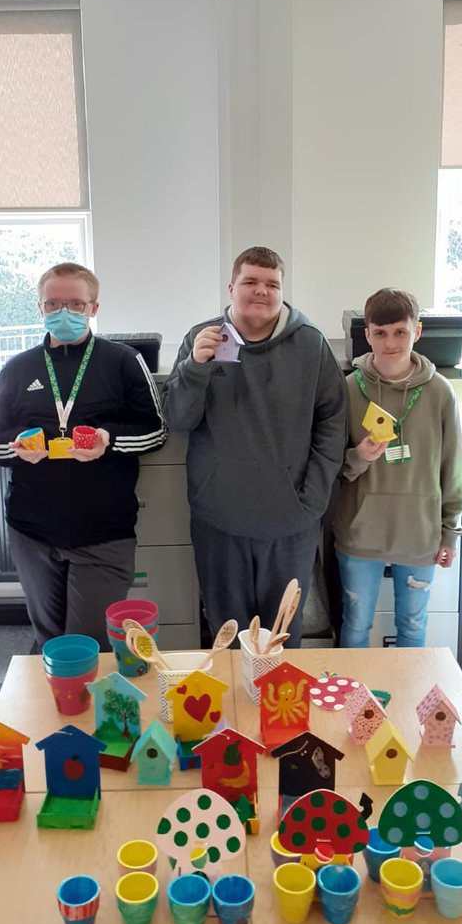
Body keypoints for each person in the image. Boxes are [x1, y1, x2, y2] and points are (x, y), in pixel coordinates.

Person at [162, 245, 347, 646]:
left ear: (282, 292)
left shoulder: (311, 345)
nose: (261, 291)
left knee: (281, 635)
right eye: (250, 281)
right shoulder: (203, 339)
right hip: (219, 519)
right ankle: (234, 710)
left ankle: (277, 710)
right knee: (228, 635)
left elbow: (333, 424)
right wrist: (195, 368)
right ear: (231, 288)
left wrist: (311, 498)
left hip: (290, 520)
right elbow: (178, 420)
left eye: (271, 284)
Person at [0, 262, 166, 650]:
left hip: (103, 533)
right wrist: (17, 448)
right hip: (33, 532)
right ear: (40, 308)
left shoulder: (124, 362)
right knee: (49, 643)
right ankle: (58, 709)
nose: (64, 313)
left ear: (93, 308)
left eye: (76, 305)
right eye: (53, 304)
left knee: (88, 644)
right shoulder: (17, 368)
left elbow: (155, 432)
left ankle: (86, 711)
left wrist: (107, 439)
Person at [333, 288, 462, 648]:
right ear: (368, 336)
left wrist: (450, 532)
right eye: (380, 333)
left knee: (412, 626)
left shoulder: (439, 392)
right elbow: (330, 466)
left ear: (417, 332)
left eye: (400, 332)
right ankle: (352, 702)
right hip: (360, 534)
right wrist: (359, 455)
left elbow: (454, 466)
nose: (390, 342)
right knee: (356, 623)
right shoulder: (347, 389)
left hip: (418, 535)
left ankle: (408, 703)